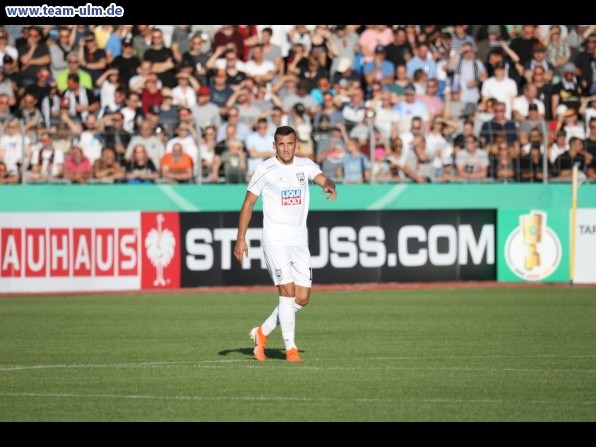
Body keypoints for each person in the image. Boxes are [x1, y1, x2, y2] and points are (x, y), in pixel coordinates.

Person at [233, 125, 337, 363]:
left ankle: (263, 332)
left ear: (296, 144)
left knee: (301, 298)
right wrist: (241, 238)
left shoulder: (305, 165)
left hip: (299, 242)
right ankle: (290, 348)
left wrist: (329, 184)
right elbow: (248, 203)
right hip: (275, 240)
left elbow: (322, 178)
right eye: (281, 144)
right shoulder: (265, 169)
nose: (286, 148)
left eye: (290, 143)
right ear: (274, 146)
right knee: (287, 292)